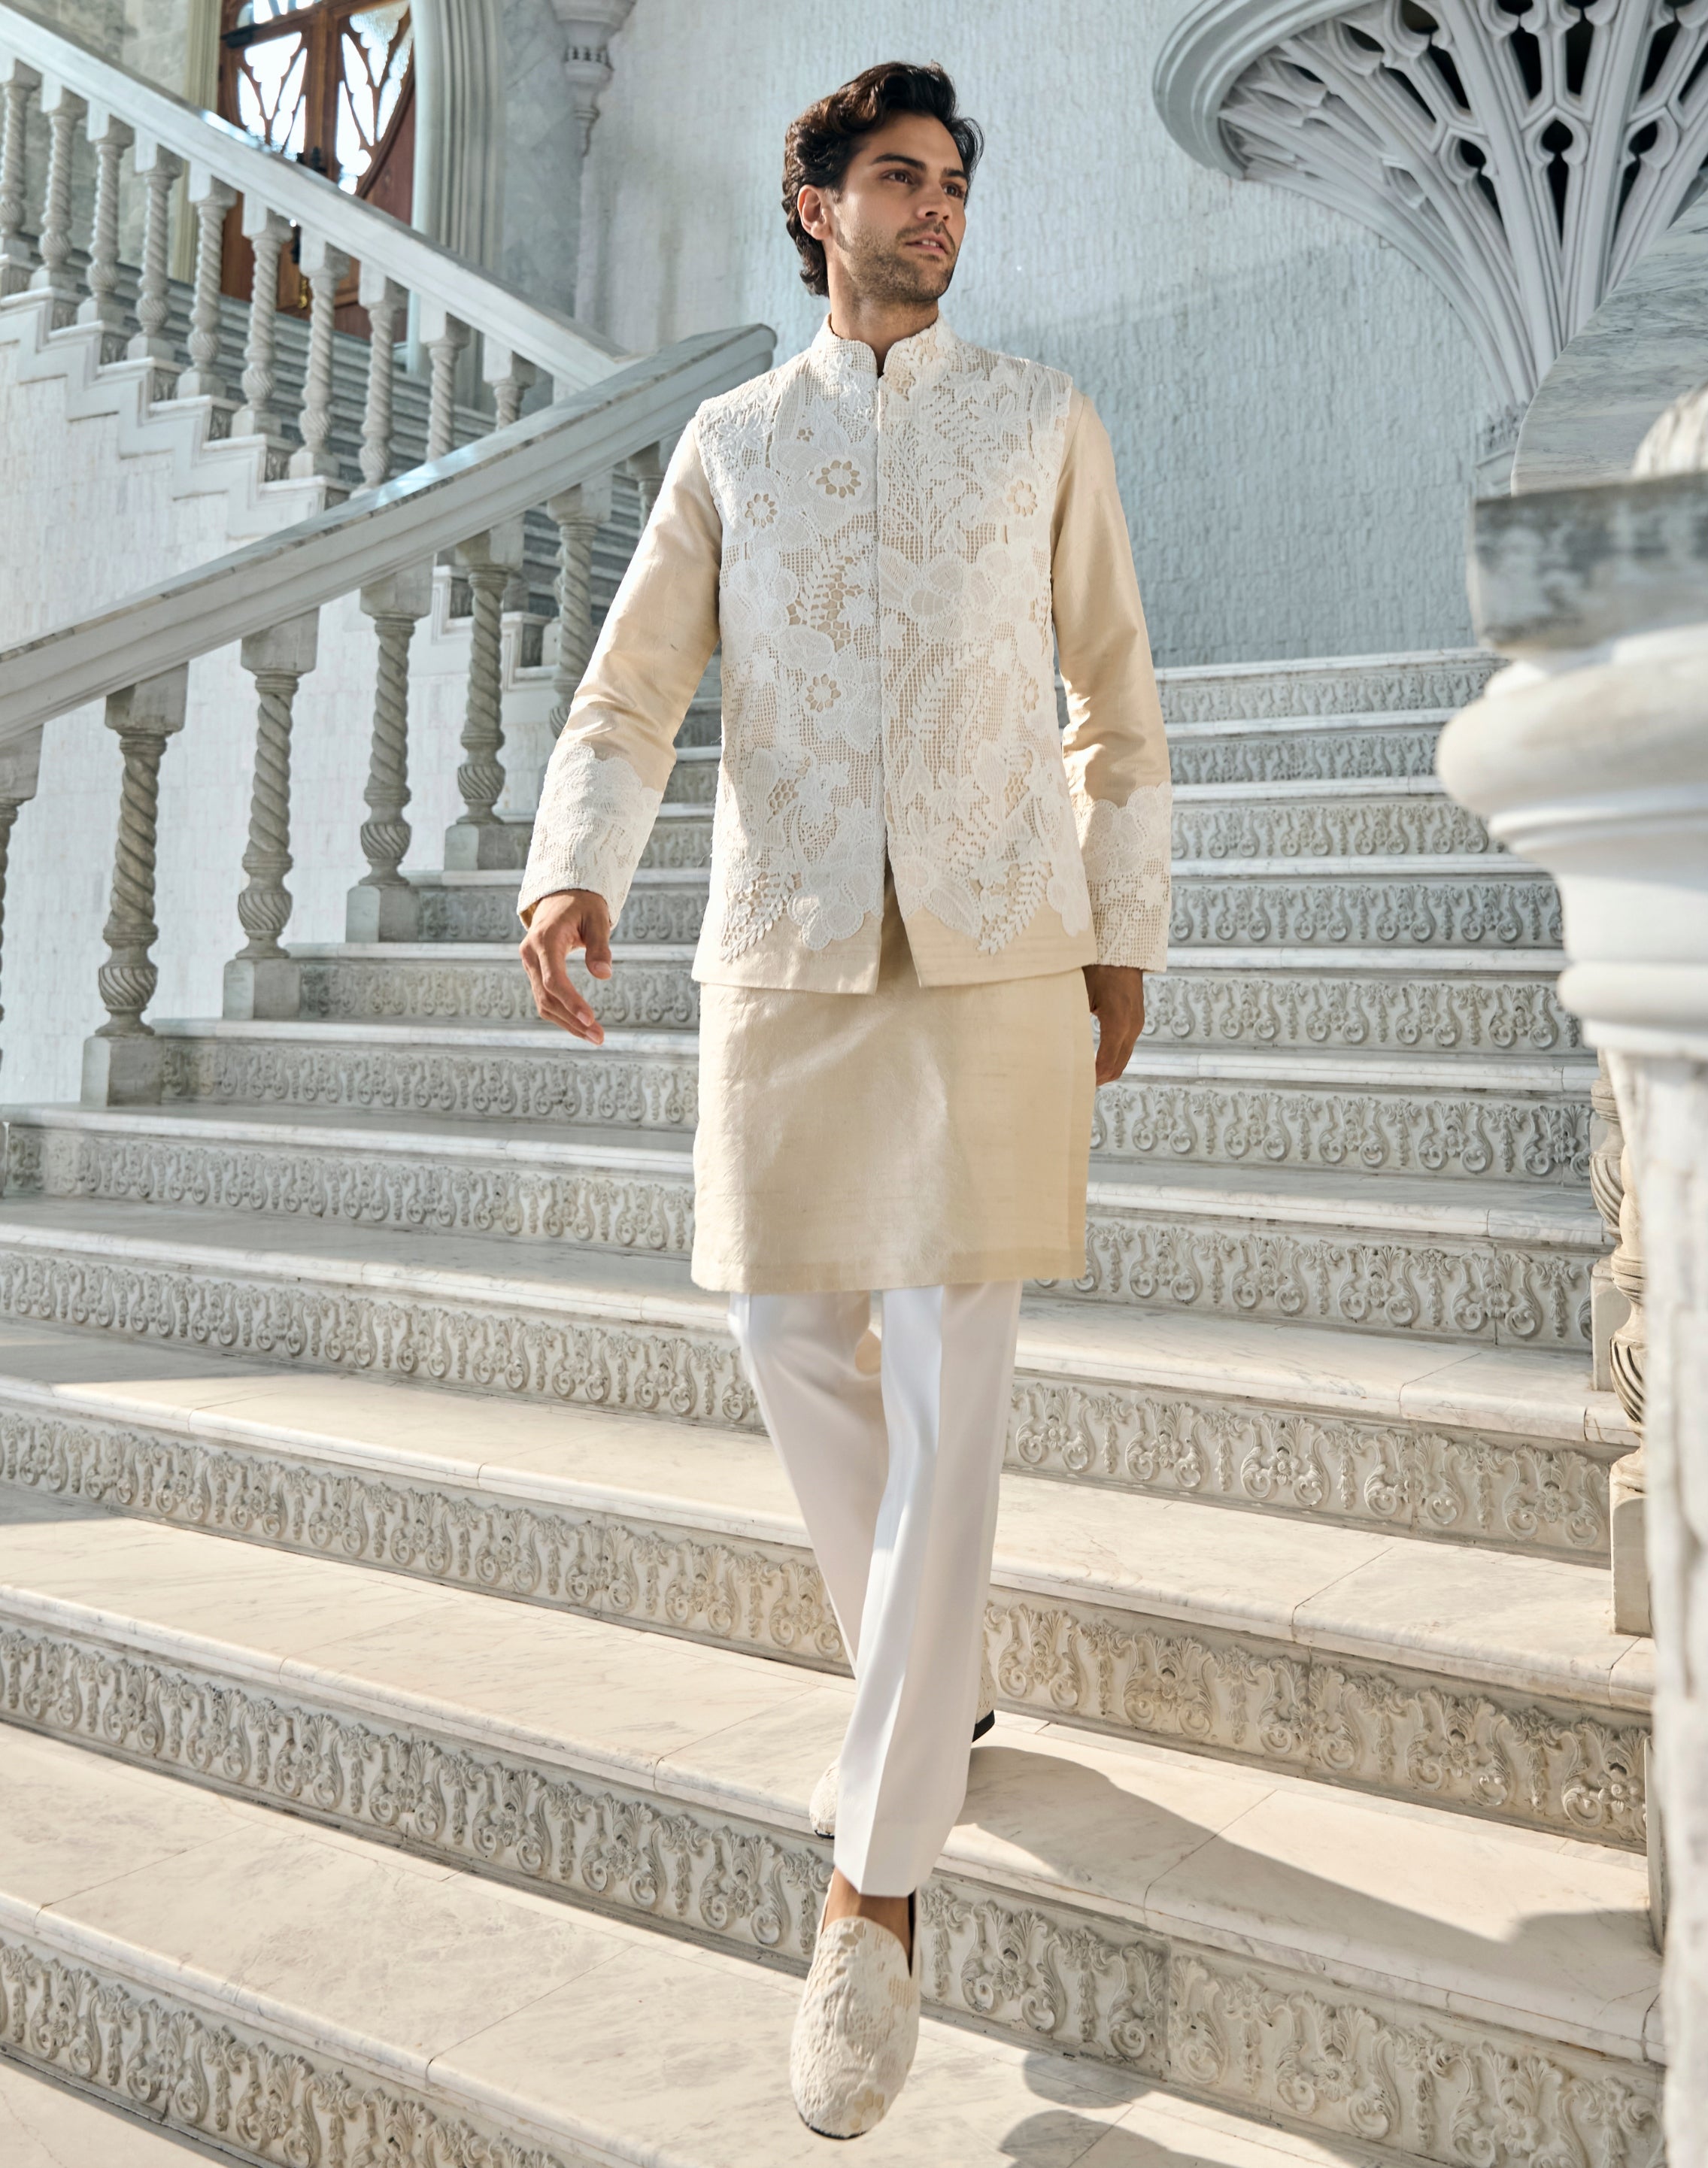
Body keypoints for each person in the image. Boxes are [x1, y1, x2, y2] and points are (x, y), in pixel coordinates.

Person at [517, 59, 1170, 2139]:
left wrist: (1122, 926)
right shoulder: (731, 444)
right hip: (785, 942)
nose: (936, 209)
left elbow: (1114, 693)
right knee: (786, 1330)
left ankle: (872, 1894)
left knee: (952, 1375)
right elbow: (634, 684)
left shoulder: (1039, 421)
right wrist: (571, 866)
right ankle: (935, 1681)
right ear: (816, 205)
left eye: (954, 181)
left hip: (998, 949)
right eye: (899, 178)